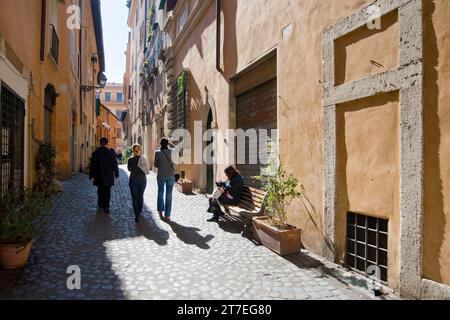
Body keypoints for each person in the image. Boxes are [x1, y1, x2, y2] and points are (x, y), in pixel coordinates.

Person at [89, 137, 119, 214]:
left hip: (98, 176)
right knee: (107, 191)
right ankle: (106, 206)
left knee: (100, 190)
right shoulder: (110, 153)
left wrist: (91, 175)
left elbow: (92, 165)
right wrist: (116, 174)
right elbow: (114, 164)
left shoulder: (96, 153)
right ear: (106, 143)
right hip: (108, 175)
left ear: (100, 143)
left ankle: (100, 204)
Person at [154, 138, 176, 222]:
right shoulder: (172, 151)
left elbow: (155, 164)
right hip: (171, 175)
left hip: (161, 175)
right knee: (169, 194)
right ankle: (167, 215)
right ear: (167, 144)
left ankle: (160, 211)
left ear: (160, 144)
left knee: (160, 192)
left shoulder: (157, 153)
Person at [127, 144, 150, 223]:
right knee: (140, 196)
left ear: (133, 150)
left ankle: (137, 215)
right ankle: (139, 212)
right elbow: (147, 169)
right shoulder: (144, 159)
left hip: (133, 180)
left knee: (134, 198)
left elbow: (129, 169)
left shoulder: (130, 159)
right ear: (140, 150)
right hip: (142, 180)